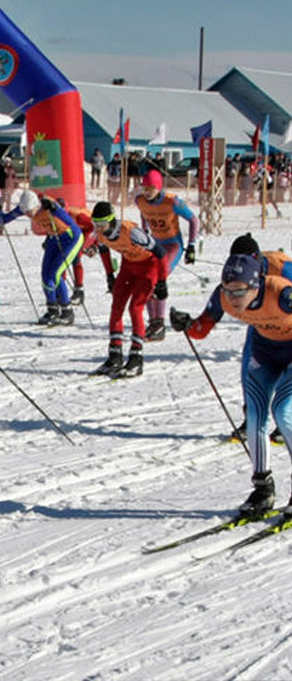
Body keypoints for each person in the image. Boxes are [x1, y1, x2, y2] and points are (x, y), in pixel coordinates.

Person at [170, 254, 292, 516]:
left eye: (239, 292)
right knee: (255, 416)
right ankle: (263, 488)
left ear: (256, 285)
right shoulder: (223, 296)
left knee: (282, 412)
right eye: (228, 290)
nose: (233, 299)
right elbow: (202, 328)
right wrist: (187, 324)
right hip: (265, 353)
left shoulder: (282, 294)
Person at [188, 233, 290, 446]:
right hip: (261, 323)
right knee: (249, 360)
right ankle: (251, 416)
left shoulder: (281, 268)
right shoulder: (233, 278)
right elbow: (206, 322)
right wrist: (189, 325)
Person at [86, 202, 168, 377]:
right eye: (96, 224)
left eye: (102, 225)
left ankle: (136, 358)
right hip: (128, 267)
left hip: (148, 267)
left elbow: (160, 252)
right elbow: (104, 251)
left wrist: (162, 282)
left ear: (111, 220)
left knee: (135, 307)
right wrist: (110, 275)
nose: (99, 229)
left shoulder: (131, 232)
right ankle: (115, 355)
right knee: (116, 306)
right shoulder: (101, 234)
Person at [0, 189, 83, 326]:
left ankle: (67, 311)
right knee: (45, 275)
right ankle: (52, 309)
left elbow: (68, 220)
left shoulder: (47, 204)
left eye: (30, 211)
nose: (29, 215)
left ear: (36, 205)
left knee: (56, 273)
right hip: (54, 237)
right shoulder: (24, 208)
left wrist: (55, 209)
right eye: (26, 212)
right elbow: (3, 220)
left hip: (71, 237)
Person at [135, 169, 199, 342]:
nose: (146, 193)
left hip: (172, 245)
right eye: (144, 188)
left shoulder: (172, 202)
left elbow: (194, 220)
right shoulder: (139, 200)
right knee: (146, 279)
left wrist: (192, 245)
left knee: (157, 279)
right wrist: (145, 231)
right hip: (156, 244)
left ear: (158, 188)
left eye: (150, 189)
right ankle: (154, 322)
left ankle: (160, 323)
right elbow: (144, 213)